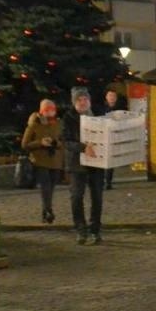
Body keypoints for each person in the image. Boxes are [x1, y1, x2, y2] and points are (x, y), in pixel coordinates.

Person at [62, 88, 105, 245]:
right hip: (77, 164)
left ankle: (95, 230)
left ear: (89, 101)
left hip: (96, 163)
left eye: (85, 99)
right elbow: (66, 141)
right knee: (76, 196)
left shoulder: (98, 116)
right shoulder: (68, 117)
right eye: (79, 100)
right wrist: (82, 147)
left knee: (97, 197)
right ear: (74, 102)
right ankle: (81, 229)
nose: (82, 102)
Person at [21, 98, 64, 224]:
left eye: (52, 110)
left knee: (51, 187)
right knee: (45, 186)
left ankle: (46, 211)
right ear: (42, 111)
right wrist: (40, 143)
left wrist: (55, 143)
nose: (50, 112)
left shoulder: (58, 124)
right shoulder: (34, 124)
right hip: (40, 160)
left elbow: (63, 141)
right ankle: (48, 210)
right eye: (47, 110)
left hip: (55, 160)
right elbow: (25, 144)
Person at [100, 88, 124, 189]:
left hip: (114, 136)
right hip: (103, 137)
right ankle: (102, 181)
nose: (112, 98)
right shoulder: (102, 108)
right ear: (106, 97)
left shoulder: (120, 109)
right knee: (103, 160)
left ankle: (108, 182)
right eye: (110, 96)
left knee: (111, 160)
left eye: (113, 96)